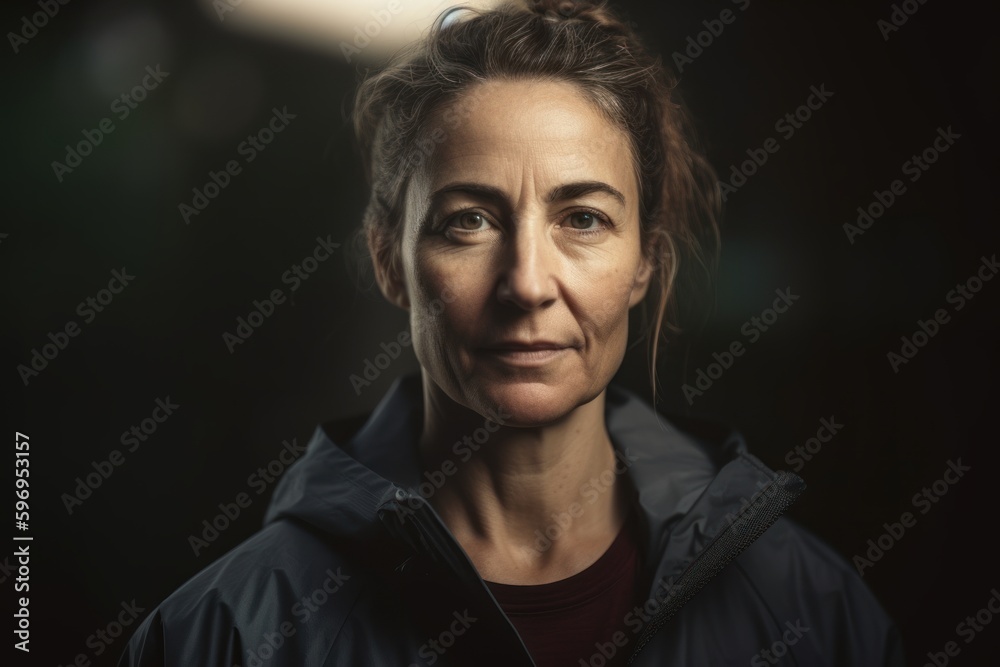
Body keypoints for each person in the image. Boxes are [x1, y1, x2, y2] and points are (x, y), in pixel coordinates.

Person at [119, 1, 903, 665]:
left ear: (644, 264)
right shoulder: (226, 633)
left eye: (584, 219)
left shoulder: (813, 609)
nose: (527, 282)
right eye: (469, 221)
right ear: (390, 260)